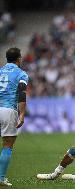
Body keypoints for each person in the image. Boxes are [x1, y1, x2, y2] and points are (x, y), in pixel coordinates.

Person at [0, 48, 28, 186]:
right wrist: (22, 113)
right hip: (8, 109)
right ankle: (1, 177)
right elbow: (22, 93)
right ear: (19, 59)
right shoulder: (21, 73)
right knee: (7, 145)